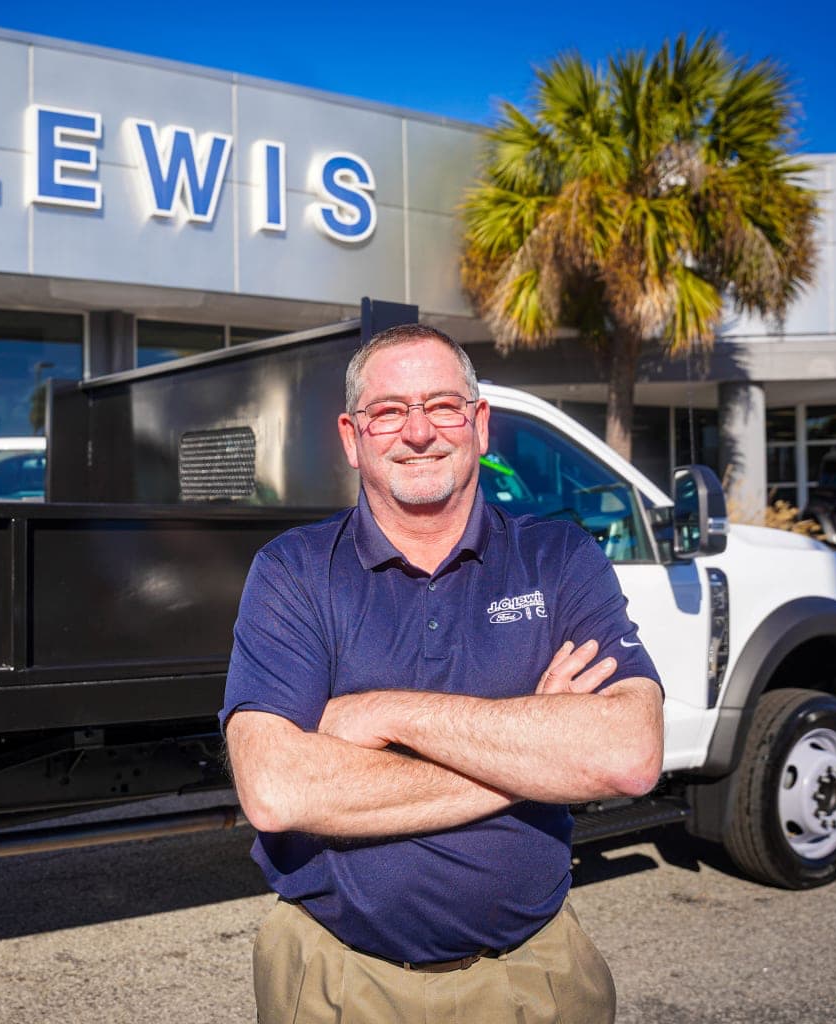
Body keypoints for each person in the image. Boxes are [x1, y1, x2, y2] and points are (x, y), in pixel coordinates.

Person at [221, 323, 664, 1023]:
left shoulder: (560, 558)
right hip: (336, 981)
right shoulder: (294, 571)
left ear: (479, 423)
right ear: (352, 436)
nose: (419, 431)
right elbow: (276, 790)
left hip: (533, 979)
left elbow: (630, 755)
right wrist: (536, 749)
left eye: (444, 406)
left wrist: (385, 715)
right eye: (389, 411)